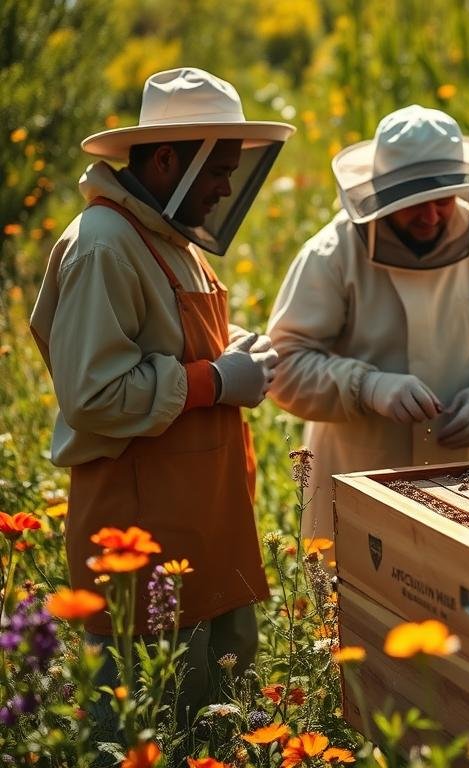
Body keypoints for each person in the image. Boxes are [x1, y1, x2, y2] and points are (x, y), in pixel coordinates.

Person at [30, 67, 293, 724]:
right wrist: (214, 380)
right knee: (147, 724)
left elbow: (160, 342)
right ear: (170, 158)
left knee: (221, 723)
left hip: (207, 525)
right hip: (141, 533)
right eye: (217, 169)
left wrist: (234, 348)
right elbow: (93, 394)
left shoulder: (167, 236)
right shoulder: (104, 244)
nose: (227, 186)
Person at [268, 105, 469, 539]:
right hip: (359, 469)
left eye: (442, 201)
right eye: (414, 204)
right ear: (381, 195)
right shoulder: (332, 252)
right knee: (360, 598)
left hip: (466, 469)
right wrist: (367, 387)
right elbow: (283, 364)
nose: (431, 217)